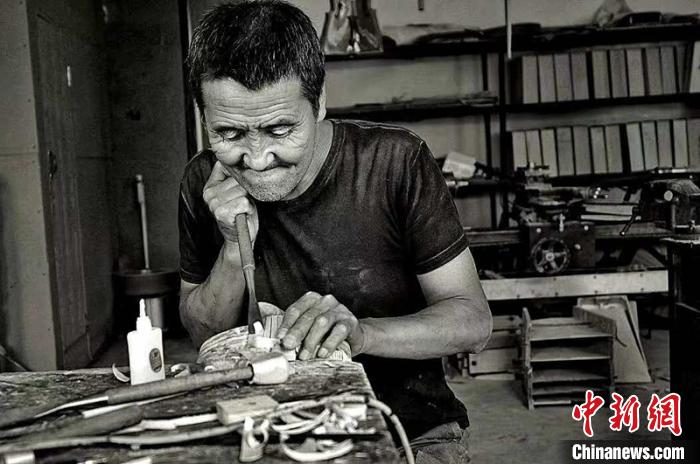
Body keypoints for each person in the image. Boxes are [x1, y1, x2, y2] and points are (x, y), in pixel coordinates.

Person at [179, 1, 492, 461]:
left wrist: (361, 334)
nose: (257, 159)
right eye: (229, 134)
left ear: (319, 101)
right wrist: (231, 245)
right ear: (203, 116)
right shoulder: (203, 182)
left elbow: (473, 322)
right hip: (266, 427)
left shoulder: (395, 163)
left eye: (280, 129)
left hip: (408, 427)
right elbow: (202, 334)